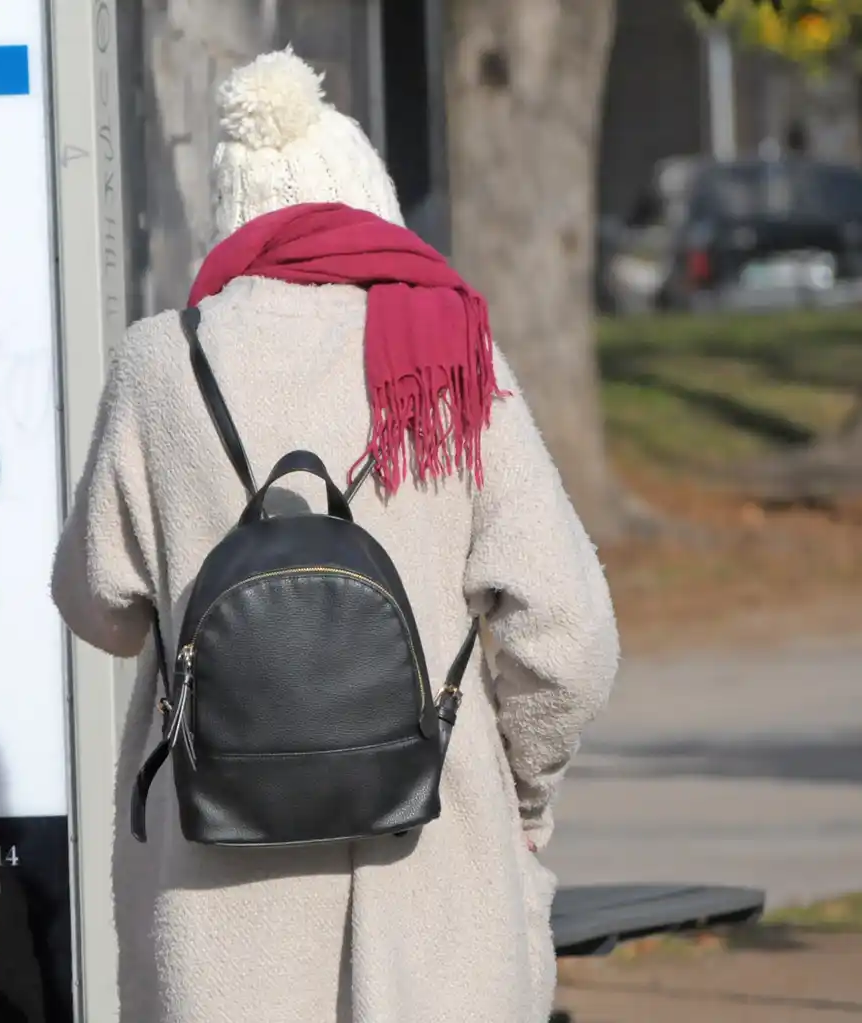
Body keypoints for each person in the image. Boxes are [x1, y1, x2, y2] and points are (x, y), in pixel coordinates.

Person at [52, 51, 619, 1022]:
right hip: (435, 858)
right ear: (370, 200)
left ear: (233, 213)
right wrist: (521, 795)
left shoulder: (159, 361)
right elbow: (566, 636)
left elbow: (99, 604)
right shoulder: (451, 357)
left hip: (217, 868)